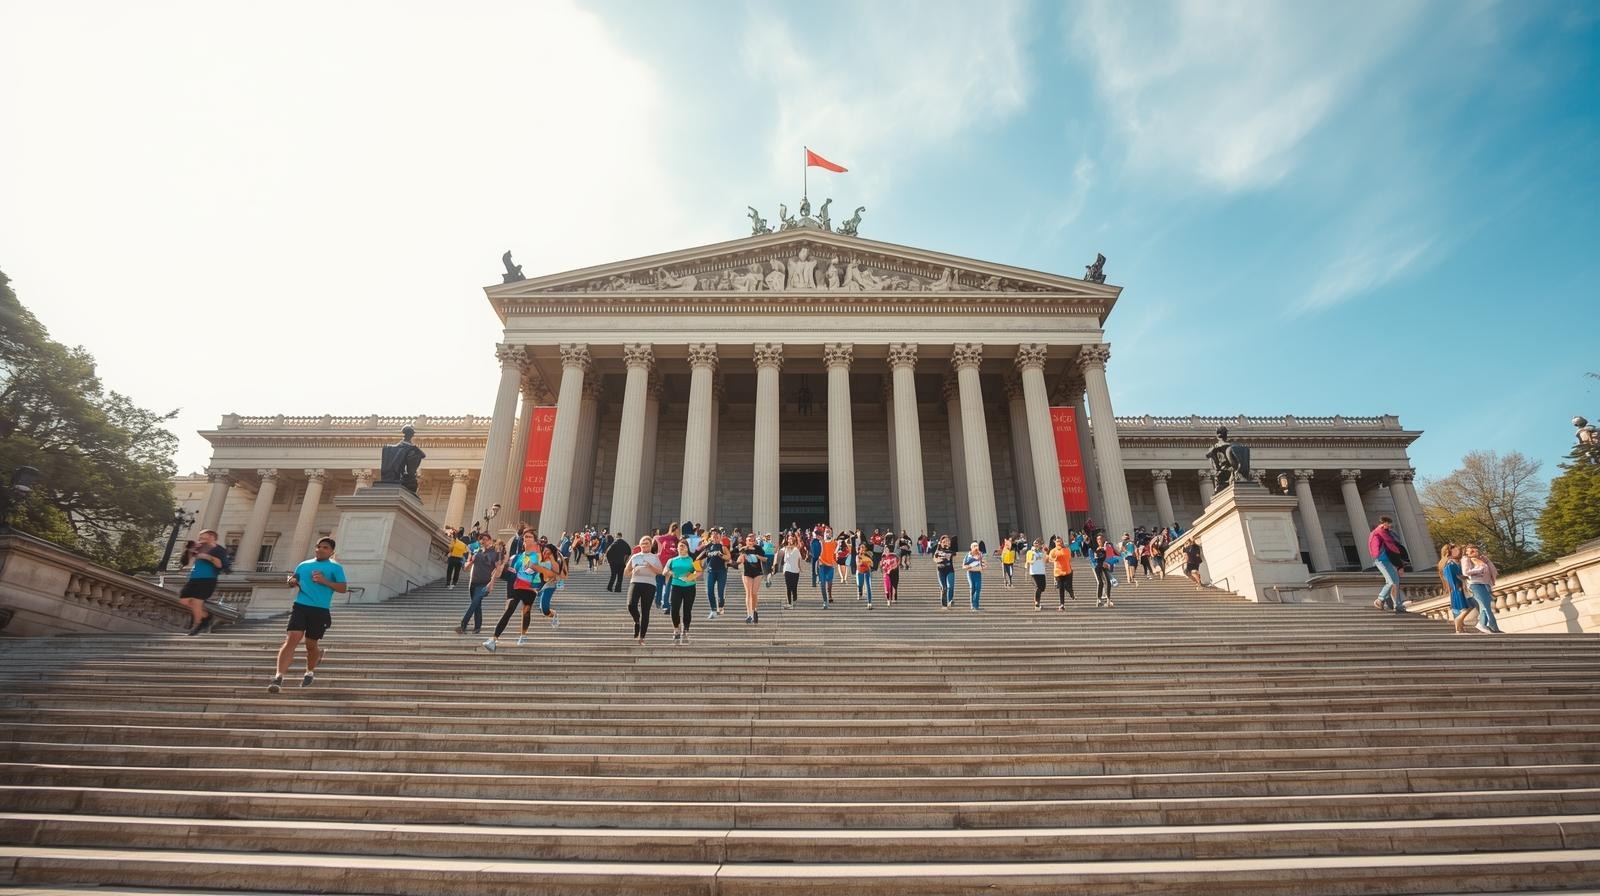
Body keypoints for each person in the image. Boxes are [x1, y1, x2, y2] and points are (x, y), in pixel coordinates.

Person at [268, 537, 346, 692]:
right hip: (301, 606)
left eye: (325, 547)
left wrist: (325, 581)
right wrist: (291, 581)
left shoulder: (335, 568)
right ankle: (278, 677)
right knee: (292, 639)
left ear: (331, 551)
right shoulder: (303, 565)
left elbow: (343, 588)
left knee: (311, 645)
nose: (320, 549)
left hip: (320, 610)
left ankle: (310, 671)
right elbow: (294, 579)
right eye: (318, 546)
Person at [483, 542, 556, 652]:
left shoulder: (543, 563)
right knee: (510, 610)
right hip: (517, 587)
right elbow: (507, 572)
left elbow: (546, 577)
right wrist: (494, 578)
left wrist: (538, 587)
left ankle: (523, 635)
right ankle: (493, 639)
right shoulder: (518, 557)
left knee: (526, 611)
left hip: (530, 589)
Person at [179, 528, 230, 635]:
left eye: (203, 536)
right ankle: (206, 617)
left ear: (212, 537)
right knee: (184, 600)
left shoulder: (219, 549)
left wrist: (208, 557)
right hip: (194, 577)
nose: (200, 538)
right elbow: (185, 562)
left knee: (197, 602)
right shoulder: (199, 547)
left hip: (208, 578)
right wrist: (189, 551)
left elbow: (220, 565)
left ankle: (197, 625)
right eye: (200, 536)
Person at [455, 532, 502, 634]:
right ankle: (477, 627)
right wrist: (471, 561)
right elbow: (466, 568)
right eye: (481, 539)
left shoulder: (495, 553)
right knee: (477, 604)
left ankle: (463, 624)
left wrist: (492, 583)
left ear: (490, 540)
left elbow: (498, 570)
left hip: (484, 583)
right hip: (473, 582)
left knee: (474, 603)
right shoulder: (477, 552)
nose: (483, 541)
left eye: (485, 539)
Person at [1368, 516, 1409, 614]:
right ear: (1383, 523)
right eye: (1389, 524)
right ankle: (1380, 599)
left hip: (1389, 560)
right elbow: (1392, 548)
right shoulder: (1379, 533)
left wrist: (1400, 565)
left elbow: (1396, 548)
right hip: (1381, 560)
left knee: (1396, 582)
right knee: (1391, 582)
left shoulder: (1387, 533)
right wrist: (1400, 565)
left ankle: (1397, 605)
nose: (1390, 526)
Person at [1460, 544, 1504, 634]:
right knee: (1484, 605)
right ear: (1466, 552)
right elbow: (1465, 572)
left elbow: (1492, 570)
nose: (1474, 552)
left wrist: (1487, 563)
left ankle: (1491, 627)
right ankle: (1485, 625)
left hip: (1485, 584)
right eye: (1471, 551)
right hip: (1475, 584)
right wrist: (1479, 569)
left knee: (1487, 606)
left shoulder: (1482, 559)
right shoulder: (1466, 559)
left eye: (1475, 550)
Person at [665, 539, 700, 644]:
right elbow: (664, 571)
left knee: (687, 610)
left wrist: (689, 578)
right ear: (677, 548)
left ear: (687, 548)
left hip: (689, 587)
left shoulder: (693, 559)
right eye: (679, 546)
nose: (681, 548)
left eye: (683, 546)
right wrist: (671, 572)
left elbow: (699, 572)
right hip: (676, 587)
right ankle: (676, 629)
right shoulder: (672, 560)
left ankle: (686, 629)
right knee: (674, 609)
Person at [1438, 544, 1471, 634]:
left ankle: (1460, 628)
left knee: (1462, 609)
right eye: (1454, 549)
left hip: (1457, 587)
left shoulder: (1451, 562)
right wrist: (1458, 587)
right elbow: (1452, 577)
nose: (1458, 550)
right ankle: (1458, 624)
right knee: (1465, 608)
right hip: (1457, 588)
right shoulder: (1449, 563)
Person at [533, 542, 564, 631]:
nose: (545, 553)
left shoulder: (554, 562)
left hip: (549, 586)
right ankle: (553, 615)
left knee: (544, 609)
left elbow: (558, 575)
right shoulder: (541, 560)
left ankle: (555, 615)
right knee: (542, 610)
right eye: (544, 551)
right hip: (540, 585)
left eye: (548, 552)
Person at [699, 528, 729, 618]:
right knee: (710, 591)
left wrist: (720, 554)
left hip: (721, 571)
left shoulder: (722, 546)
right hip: (710, 571)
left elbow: (728, 557)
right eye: (713, 534)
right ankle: (713, 610)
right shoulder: (708, 546)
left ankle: (721, 605)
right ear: (710, 536)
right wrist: (703, 548)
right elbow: (698, 557)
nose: (715, 536)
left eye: (717, 534)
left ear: (720, 536)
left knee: (720, 592)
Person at [737, 534, 765, 624]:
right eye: (749, 540)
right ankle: (749, 614)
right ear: (746, 541)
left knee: (754, 593)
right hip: (746, 572)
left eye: (753, 540)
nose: (751, 542)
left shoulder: (758, 548)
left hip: (757, 572)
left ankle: (754, 610)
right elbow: (738, 561)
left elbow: (765, 559)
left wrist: (758, 557)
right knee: (748, 593)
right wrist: (742, 557)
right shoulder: (743, 549)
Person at [1047, 535, 1075, 609]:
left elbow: (1069, 559)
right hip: (1058, 572)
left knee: (1067, 586)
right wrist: (1054, 559)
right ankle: (1062, 604)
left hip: (1067, 571)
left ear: (1062, 542)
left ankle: (1071, 592)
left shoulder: (1066, 549)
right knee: (1061, 587)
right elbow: (1049, 559)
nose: (1059, 543)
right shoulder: (1053, 551)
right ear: (1055, 542)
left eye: (1060, 541)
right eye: (1057, 541)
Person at [778, 533, 805, 608]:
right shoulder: (785, 548)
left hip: (795, 570)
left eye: (792, 538)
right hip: (787, 569)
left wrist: (800, 568)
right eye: (789, 538)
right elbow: (779, 552)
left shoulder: (797, 548)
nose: (791, 539)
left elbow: (799, 559)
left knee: (794, 587)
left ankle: (794, 600)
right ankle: (790, 603)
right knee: (788, 587)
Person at [816, 527, 838, 608]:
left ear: (831, 533)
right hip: (822, 565)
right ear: (824, 533)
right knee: (822, 584)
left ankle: (830, 594)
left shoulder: (834, 543)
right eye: (826, 532)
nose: (828, 533)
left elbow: (836, 554)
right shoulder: (821, 542)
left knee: (829, 583)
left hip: (830, 566)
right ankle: (825, 601)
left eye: (829, 532)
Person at [1092, 534, 1115, 608]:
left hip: (1105, 567)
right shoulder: (1097, 549)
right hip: (1098, 567)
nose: (1099, 541)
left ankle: (1108, 600)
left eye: (1101, 539)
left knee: (1108, 582)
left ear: (1103, 539)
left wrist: (1110, 565)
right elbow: (1096, 558)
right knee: (1100, 582)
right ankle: (1098, 600)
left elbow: (1110, 555)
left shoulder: (1107, 547)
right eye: (1098, 539)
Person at [933, 535, 956, 609]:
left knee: (950, 586)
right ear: (941, 542)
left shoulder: (951, 550)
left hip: (950, 570)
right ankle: (944, 604)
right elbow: (935, 559)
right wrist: (939, 560)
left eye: (948, 541)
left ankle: (950, 600)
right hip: (940, 570)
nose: (947, 542)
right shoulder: (937, 551)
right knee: (944, 587)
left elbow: (954, 553)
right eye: (945, 541)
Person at [962, 542, 986, 611]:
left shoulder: (980, 555)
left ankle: (976, 605)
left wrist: (983, 566)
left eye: (977, 546)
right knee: (972, 587)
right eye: (974, 546)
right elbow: (963, 566)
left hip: (978, 573)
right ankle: (972, 605)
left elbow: (984, 565)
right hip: (970, 573)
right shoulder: (968, 555)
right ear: (971, 548)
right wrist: (969, 567)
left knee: (978, 588)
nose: (976, 547)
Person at [1026, 538, 1048, 610]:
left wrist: (1045, 552)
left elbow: (1045, 560)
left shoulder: (1043, 552)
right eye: (1035, 543)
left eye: (1037, 543)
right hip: (1034, 572)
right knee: (1038, 587)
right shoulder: (1030, 552)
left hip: (1041, 572)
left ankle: (1037, 600)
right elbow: (1029, 561)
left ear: (1040, 544)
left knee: (1042, 588)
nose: (1036, 544)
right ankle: (1037, 602)